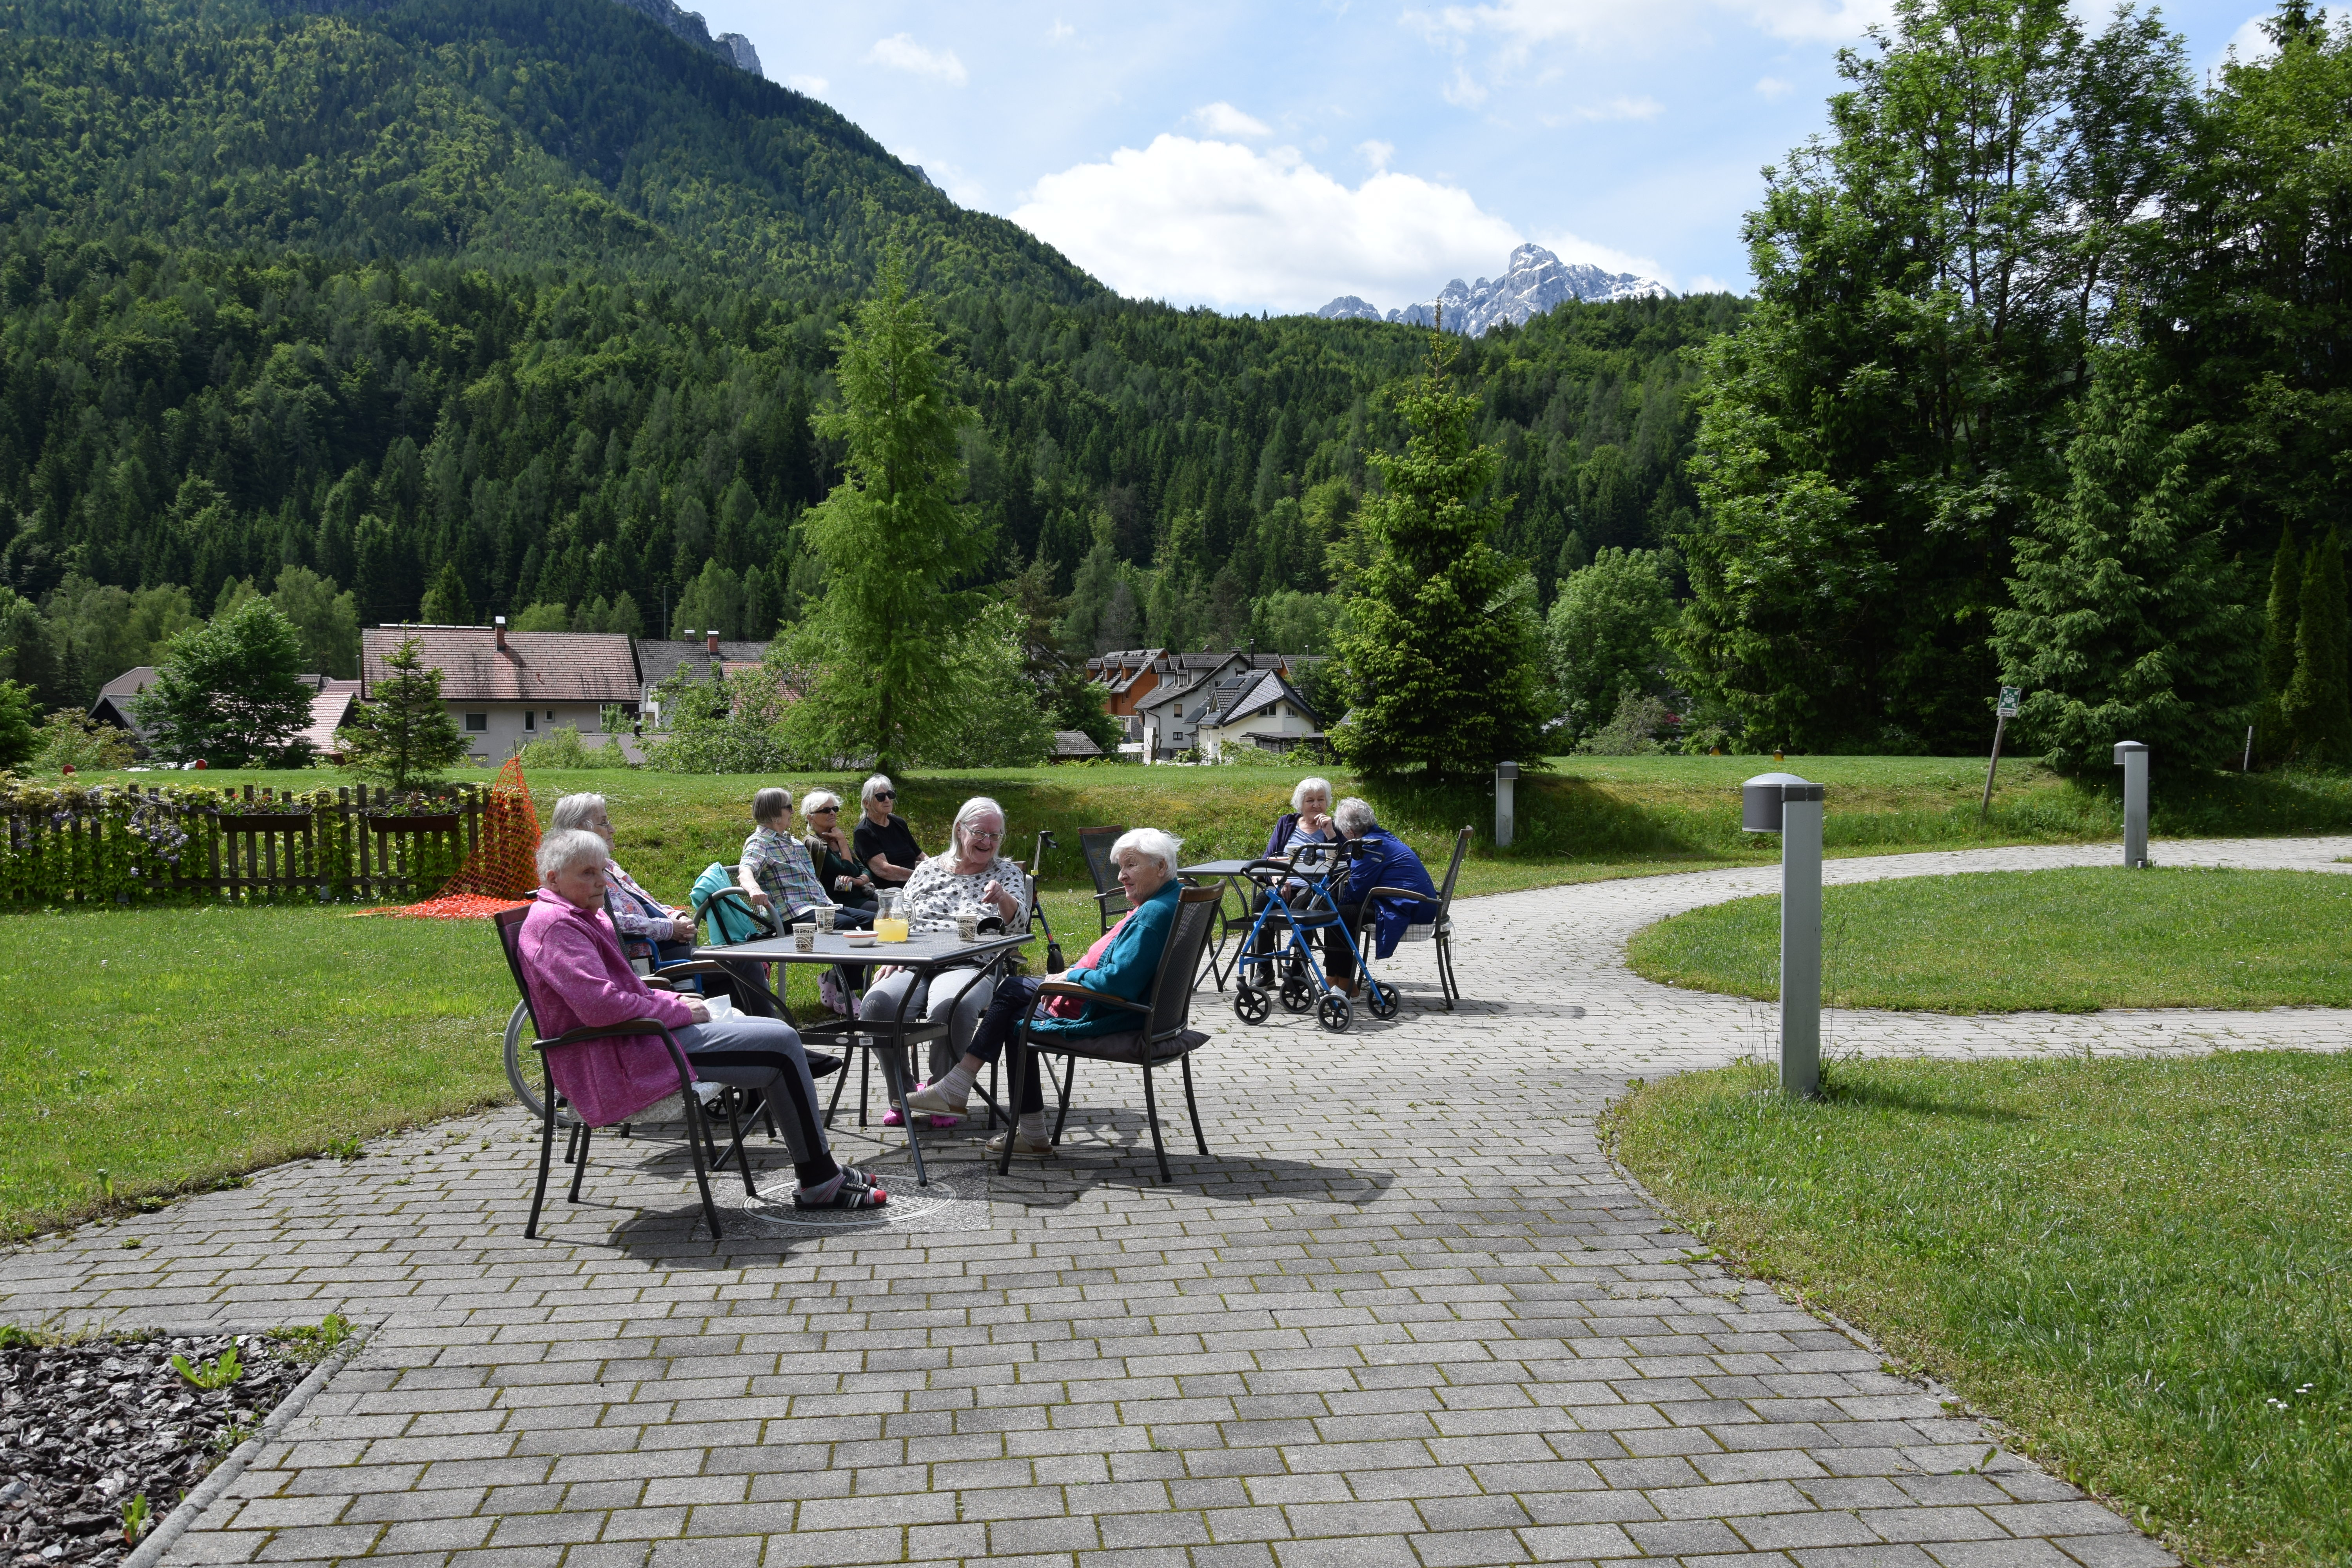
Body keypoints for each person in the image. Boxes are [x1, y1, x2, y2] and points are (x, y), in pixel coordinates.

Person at [517, 828, 882, 1210]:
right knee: (783, 1046)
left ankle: (821, 1171)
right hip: (622, 1057)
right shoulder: (558, 927)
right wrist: (675, 1009)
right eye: (587, 874)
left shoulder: (575, 916)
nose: (600, 882)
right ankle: (820, 1180)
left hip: (638, 1040)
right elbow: (601, 1007)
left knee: (777, 1033)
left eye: (601, 872)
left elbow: (620, 993)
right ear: (553, 878)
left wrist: (671, 998)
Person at [904, 827, 1183, 1159]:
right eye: (1121, 867)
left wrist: (1069, 977)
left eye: (1131, 866)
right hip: (1139, 1011)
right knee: (1014, 1002)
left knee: (1012, 1003)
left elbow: (1118, 983)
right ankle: (976, 1099)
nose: (1121, 876)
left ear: (1161, 867)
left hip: (1111, 1012)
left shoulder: (1154, 913)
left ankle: (966, 1092)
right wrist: (1065, 977)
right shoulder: (1171, 899)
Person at [858, 797, 1029, 1122]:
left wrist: (1003, 897)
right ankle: (903, 1096)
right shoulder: (927, 869)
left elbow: (1019, 925)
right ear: (959, 830)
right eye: (980, 833)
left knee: (952, 1004)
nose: (987, 842)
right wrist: (892, 954)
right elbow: (899, 914)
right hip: (915, 961)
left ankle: (942, 1092)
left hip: (971, 964)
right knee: (876, 1004)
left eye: (996, 836)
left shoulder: (1005, 872)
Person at [548, 792, 695, 965]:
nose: (613, 829)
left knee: (731, 961)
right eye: (604, 823)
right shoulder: (574, 879)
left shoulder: (608, 866)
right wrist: (668, 928)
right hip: (648, 959)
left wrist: (677, 917)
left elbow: (645, 899)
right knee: (733, 964)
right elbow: (603, 920)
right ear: (581, 830)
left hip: (668, 948)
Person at [1324, 796, 1437, 995]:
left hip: (1409, 908)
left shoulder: (1367, 846)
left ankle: (1345, 984)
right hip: (1420, 904)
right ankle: (1335, 977)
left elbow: (1357, 892)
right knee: (1340, 913)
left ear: (1350, 832)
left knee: (1338, 915)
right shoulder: (1381, 836)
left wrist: (1338, 904)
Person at [738, 788, 875, 930]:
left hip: (818, 907)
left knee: (872, 920)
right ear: (775, 812)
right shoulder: (760, 842)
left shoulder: (794, 843)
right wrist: (754, 890)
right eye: (789, 807)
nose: (793, 812)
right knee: (846, 925)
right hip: (790, 913)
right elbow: (746, 870)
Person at [1243, 777, 1337, 976]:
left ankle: (1298, 971)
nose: (1316, 805)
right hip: (1283, 884)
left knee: (1302, 905)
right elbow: (1268, 858)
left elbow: (1343, 862)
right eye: (1310, 800)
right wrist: (1277, 878)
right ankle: (1264, 970)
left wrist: (1330, 834)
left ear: (1327, 803)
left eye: (1321, 800)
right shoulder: (1287, 823)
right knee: (1262, 902)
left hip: (1315, 888)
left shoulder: (1333, 828)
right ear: (1301, 804)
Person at [801, 789, 876, 910]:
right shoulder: (815, 844)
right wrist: (842, 841)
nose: (832, 813)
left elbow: (865, 870)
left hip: (860, 894)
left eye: (834, 809)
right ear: (811, 818)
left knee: (898, 901)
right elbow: (849, 871)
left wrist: (858, 882)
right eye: (826, 810)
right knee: (887, 911)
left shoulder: (835, 838)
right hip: (841, 902)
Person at [853, 774, 923, 891]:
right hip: (891, 890)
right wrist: (919, 876)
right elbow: (885, 870)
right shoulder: (863, 832)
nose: (887, 800)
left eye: (890, 795)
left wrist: (933, 868)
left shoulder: (899, 823)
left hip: (916, 882)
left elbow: (920, 855)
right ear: (867, 803)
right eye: (880, 797)